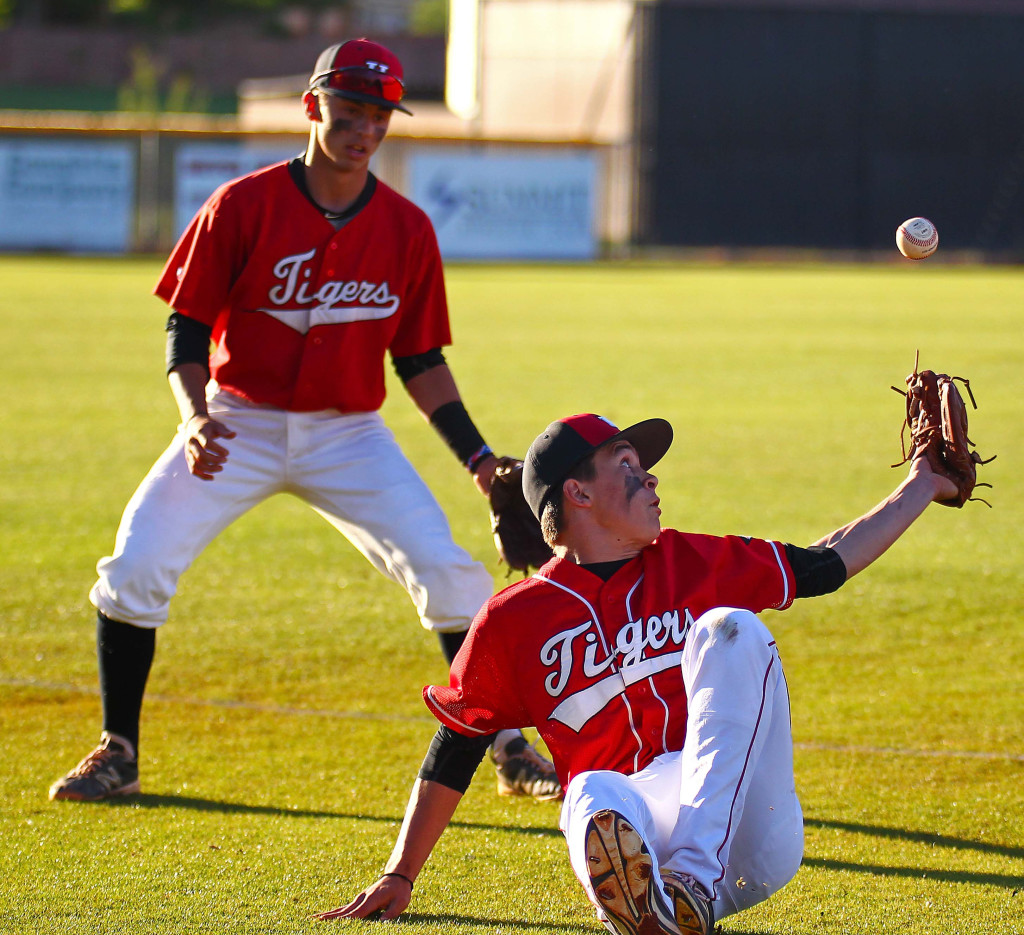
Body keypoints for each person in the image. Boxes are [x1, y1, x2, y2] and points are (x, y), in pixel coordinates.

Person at [48, 38, 560, 805]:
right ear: (313, 106)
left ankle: (511, 748)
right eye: (352, 110)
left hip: (347, 434)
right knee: (135, 563)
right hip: (235, 421)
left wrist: (480, 458)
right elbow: (185, 329)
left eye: (380, 114)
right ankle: (118, 751)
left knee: (452, 574)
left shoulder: (407, 228)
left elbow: (419, 360)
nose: (366, 128)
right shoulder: (242, 205)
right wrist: (192, 416)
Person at [319, 411, 962, 934]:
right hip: (636, 826)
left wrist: (924, 483)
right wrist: (400, 875)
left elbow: (826, 563)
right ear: (578, 494)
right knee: (592, 793)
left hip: (744, 826)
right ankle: (660, 911)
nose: (650, 480)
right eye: (626, 466)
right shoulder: (514, 620)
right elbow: (457, 743)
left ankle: (687, 886)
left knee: (730, 629)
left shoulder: (689, 562)